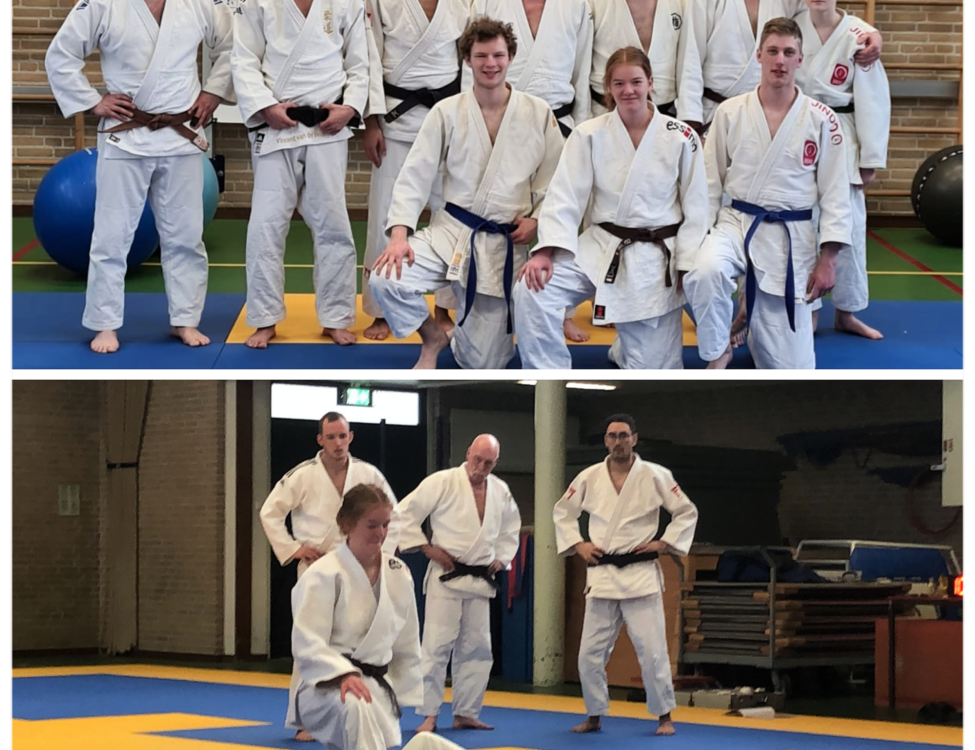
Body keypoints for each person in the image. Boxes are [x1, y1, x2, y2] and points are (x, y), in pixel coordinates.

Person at [369, 17, 564, 369]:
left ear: (511, 57)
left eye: (498, 55)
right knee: (386, 278)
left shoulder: (538, 112)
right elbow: (414, 176)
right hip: (451, 233)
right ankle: (433, 337)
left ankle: (465, 336)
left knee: (483, 365)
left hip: (503, 244)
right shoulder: (446, 111)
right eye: (481, 56)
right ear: (467, 60)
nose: (491, 64)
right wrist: (399, 237)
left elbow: (555, 180)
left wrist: (537, 220)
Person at [45, 0, 234, 354]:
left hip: (180, 135)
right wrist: (92, 101)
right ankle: (105, 324)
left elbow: (232, 45)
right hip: (126, 135)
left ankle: (185, 319)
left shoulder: (199, 3)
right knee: (111, 236)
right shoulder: (104, 3)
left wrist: (214, 91)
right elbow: (60, 54)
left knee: (186, 236)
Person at [514, 46, 709, 370]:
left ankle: (624, 348)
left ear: (650, 82)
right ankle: (548, 374)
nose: (628, 90)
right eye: (619, 83)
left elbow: (697, 205)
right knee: (533, 290)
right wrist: (545, 251)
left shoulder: (681, 136)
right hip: (601, 246)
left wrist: (686, 262)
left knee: (652, 371)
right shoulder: (588, 134)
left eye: (636, 82)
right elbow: (565, 196)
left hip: (655, 256)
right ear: (608, 87)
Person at [682, 16, 853, 369]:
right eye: (772, 51)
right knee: (704, 271)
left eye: (789, 52)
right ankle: (719, 349)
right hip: (737, 222)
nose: (780, 60)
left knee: (793, 369)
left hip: (790, 236)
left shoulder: (823, 119)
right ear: (758, 55)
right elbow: (709, 184)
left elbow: (836, 195)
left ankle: (752, 318)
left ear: (800, 59)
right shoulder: (729, 112)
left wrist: (828, 260)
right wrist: (696, 241)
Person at [231, 0, 369, 349]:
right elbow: (244, 59)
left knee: (334, 225)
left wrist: (351, 107)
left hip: (327, 127)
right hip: (276, 126)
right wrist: (265, 106)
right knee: (265, 226)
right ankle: (265, 319)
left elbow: (360, 62)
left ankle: (336, 318)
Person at [553, 414, 698, 736]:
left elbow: (686, 511)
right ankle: (594, 714)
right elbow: (563, 512)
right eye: (611, 436)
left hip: (640, 574)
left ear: (634, 438)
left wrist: (664, 542)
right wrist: (578, 544)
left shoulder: (656, 475)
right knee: (588, 656)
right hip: (603, 576)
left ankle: (664, 716)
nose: (617, 442)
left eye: (623, 435)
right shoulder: (589, 476)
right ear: (605, 441)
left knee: (653, 652)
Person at [260, 412, 399, 742]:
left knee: (358, 642)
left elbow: (393, 515)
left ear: (351, 437)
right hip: (317, 568)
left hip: (359, 569)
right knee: (310, 641)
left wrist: (380, 555)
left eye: (343, 436)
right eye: (331, 437)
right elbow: (270, 512)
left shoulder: (368, 474)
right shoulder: (303, 475)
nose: (338, 443)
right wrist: (294, 548)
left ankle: (363, 708)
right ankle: (303, 718)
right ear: (320, 440)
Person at [394, 434, 521, 732]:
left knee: (478, 649)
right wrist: (427, 548)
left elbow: (510, 528)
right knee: (436, 647)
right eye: (477, 459)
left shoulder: (500, 490)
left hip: (480, 580)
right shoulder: (442, 481)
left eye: (488, 463)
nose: (481, 467)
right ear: (467, 454)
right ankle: (429, 714)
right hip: (446, 578)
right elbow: (403, 514)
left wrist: (502, 557)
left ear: (495, 463)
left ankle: (466, 712)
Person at [361, 0, 470, 341]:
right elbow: (370, 56)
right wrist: (371, 121)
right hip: (395, 119)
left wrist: (469, 119)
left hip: (447, 119)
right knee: (385, 214)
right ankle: (380, 311)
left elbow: (468, 61)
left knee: (449, 215)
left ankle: (445, 306)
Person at [291, 484, 421, 749]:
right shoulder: (322, 574)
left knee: (364, 719)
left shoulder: (398, 573)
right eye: (372, 525)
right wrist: (343, 674)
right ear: (347, 525)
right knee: (356, 707)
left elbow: (407, 640)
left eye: (385, 525)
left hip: (374, 684)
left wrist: (404, 686)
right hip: (324, 685)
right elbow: (307, 641)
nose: (381, 533)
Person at [796, 0, 889, 340]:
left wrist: (870, 158)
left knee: (848, 225)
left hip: (844, 134)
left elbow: (874, 99)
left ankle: (847, 312)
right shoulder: (792, 24)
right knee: (803, 225)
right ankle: (808, 309)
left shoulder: (859, 35)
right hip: (799, 130)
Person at [677, 0, 882, 136]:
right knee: (714, 184)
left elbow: (822, 16)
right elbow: (690, 57)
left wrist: (869, 32)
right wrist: (692, 124)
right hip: (712, 114)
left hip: (768, 114)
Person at [589, 0, 684, 119]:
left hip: (666, 113)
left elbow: (688, 63)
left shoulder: (681, 4)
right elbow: (581, 67)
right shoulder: (594, 4)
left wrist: (688, 115)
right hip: (604, 111)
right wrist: (581, 116)